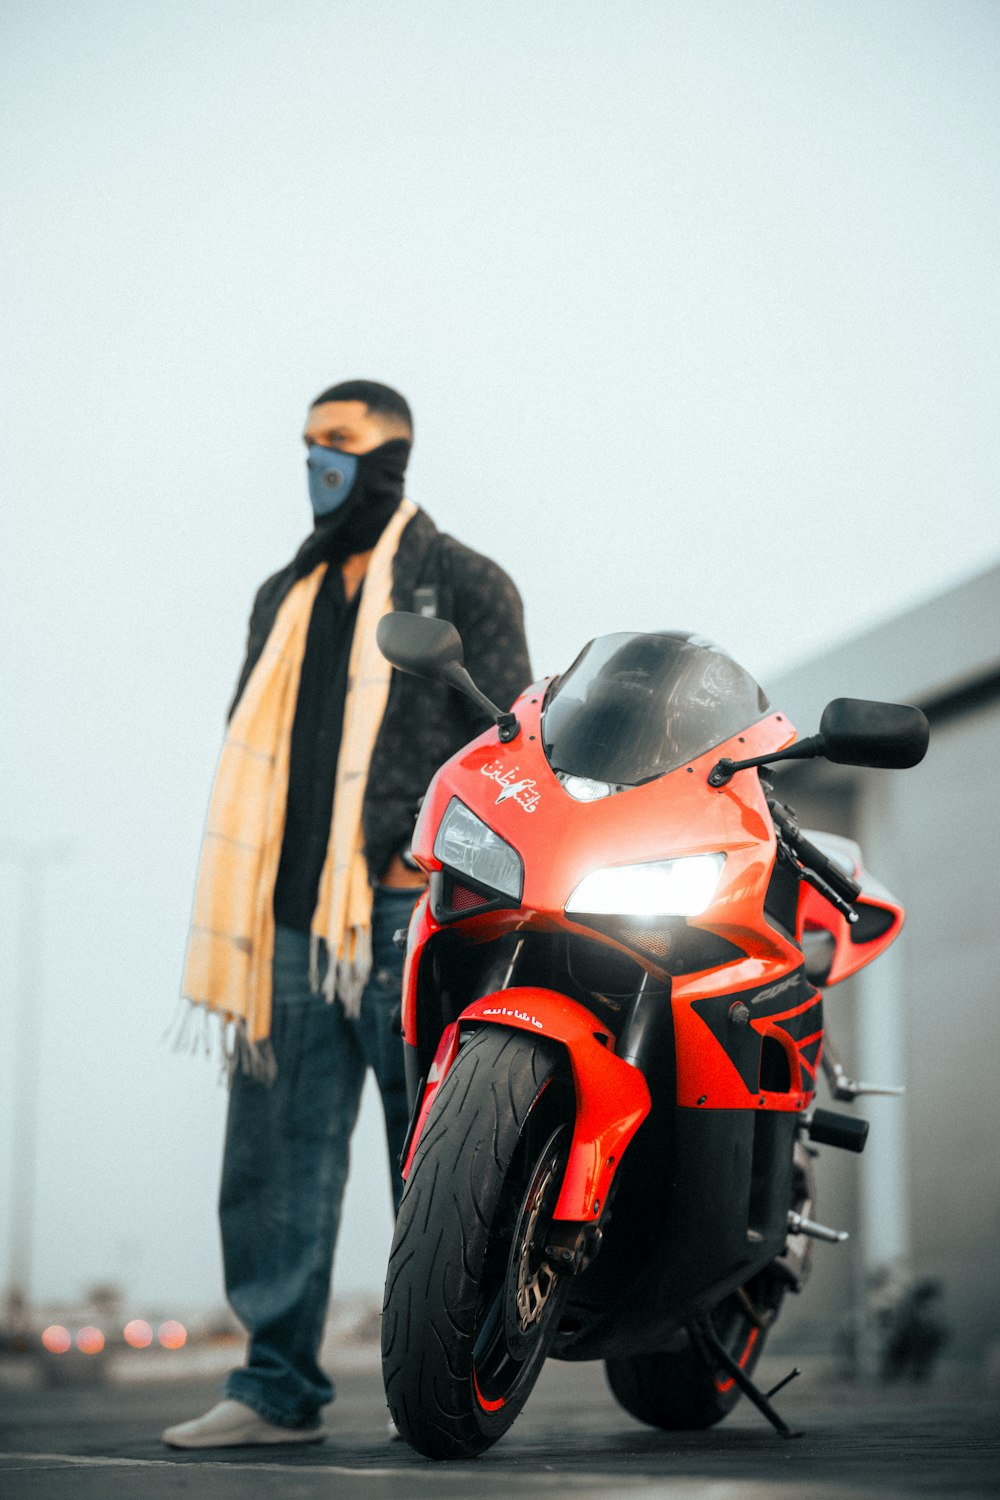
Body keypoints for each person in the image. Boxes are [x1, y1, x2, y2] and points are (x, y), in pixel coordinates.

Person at [162, 380, 532, 1448]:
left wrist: (426, 865)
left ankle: (450, 1377)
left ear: (391, 456)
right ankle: (275, 1389)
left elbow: (503, 743)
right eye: (308, 444)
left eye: (339, 443)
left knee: (441, 1154)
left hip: (408, 904)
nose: (318, 462)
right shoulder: (285, 593)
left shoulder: (462, 579)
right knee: (273, 1159)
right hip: (285, 914)